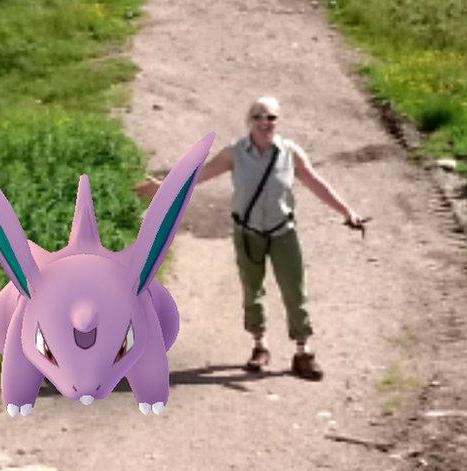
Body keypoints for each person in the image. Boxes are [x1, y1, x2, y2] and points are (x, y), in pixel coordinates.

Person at [135, 96, 366, 381]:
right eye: (258, 117)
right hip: (248, 234)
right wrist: (165, 187)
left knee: (295, 291)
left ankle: (303, 352)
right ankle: (260, 346)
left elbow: (316, 182)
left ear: (277, 122)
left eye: (271, 118)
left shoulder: (289, 153)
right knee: (252, 291)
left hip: (283, 232)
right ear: (249, 121)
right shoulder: (234, 153)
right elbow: (200, 174)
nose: (264, 123)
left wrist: (347, 212)